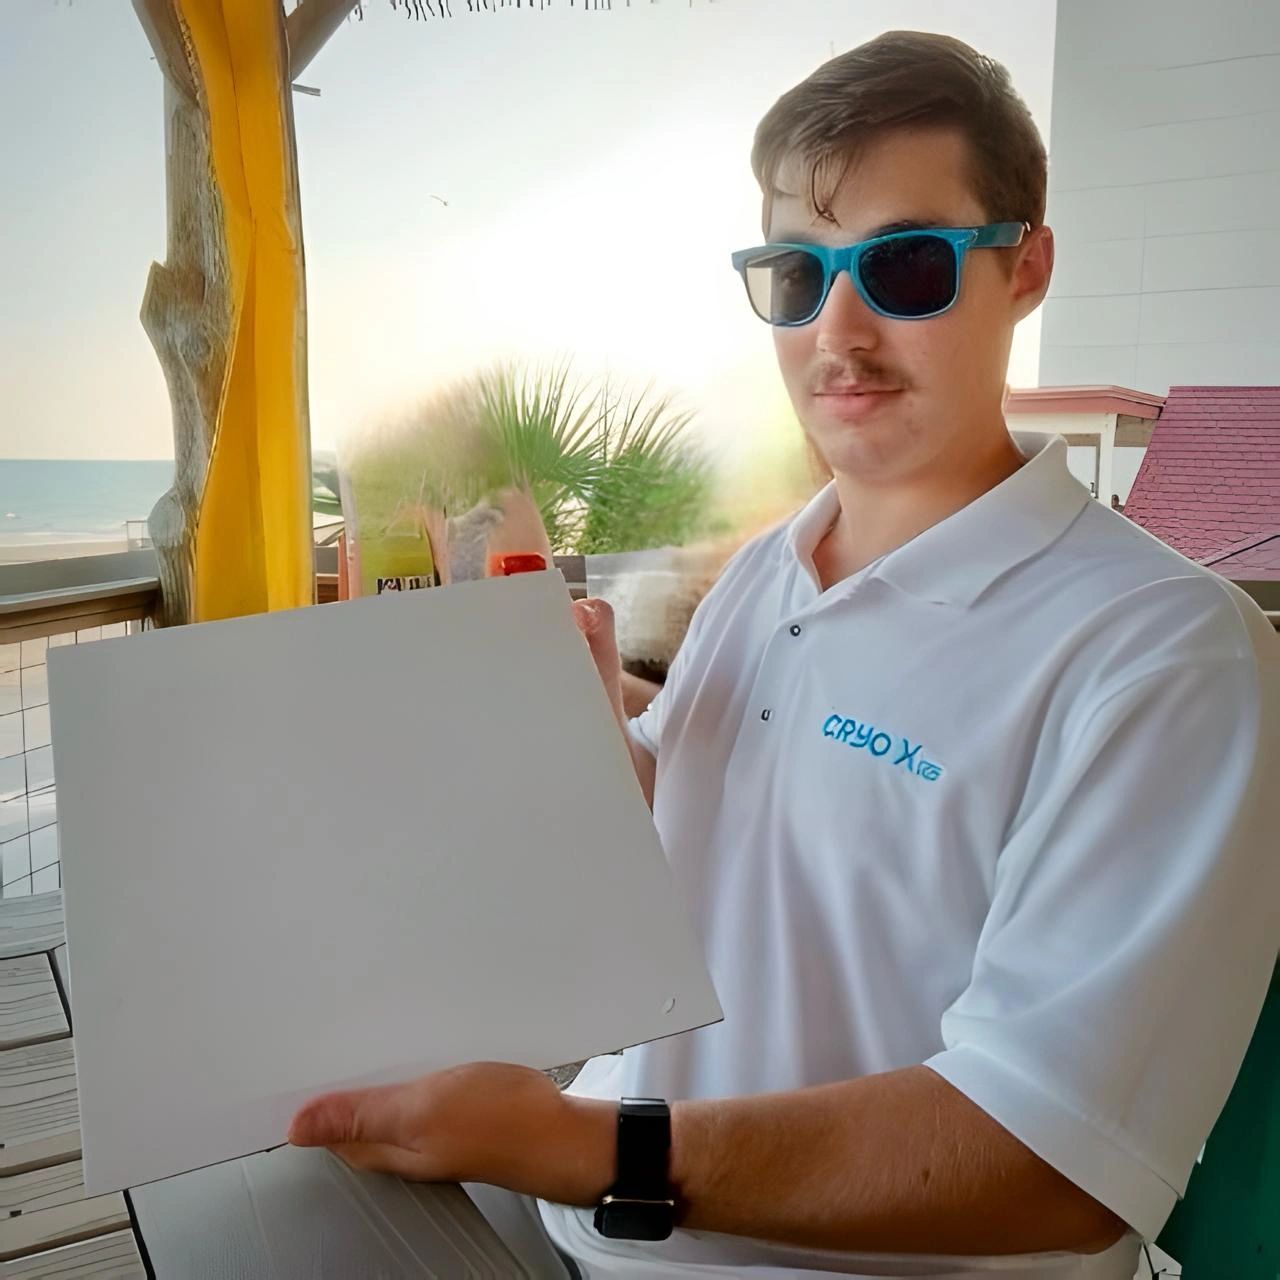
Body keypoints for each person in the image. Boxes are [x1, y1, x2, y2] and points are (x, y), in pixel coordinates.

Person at [287, 31, 1280, 1279]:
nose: (839, 329)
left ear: (1022, 268)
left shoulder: (1159, 650)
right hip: (572, 1224)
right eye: (795, 276)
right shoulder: (771, 568)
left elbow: (1052, 1163)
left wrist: (582, 1146)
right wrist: (591, 739)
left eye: (906, 265)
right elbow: (717, 824)